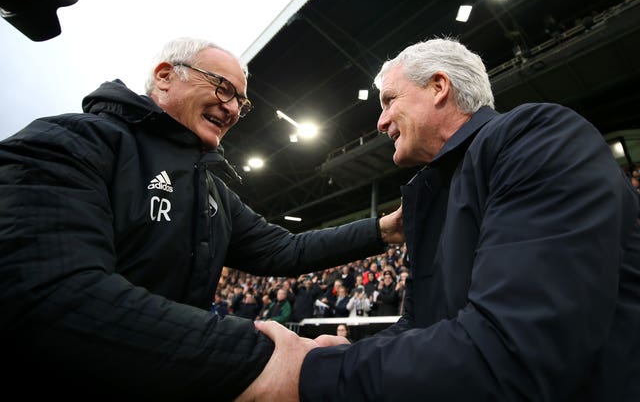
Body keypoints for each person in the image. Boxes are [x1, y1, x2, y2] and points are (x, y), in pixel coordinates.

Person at [237, 37, 640, 401]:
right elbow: (420, 325)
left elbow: (512, 351)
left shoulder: (536, 138)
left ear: (438, 87)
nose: (380, 122)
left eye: (389, 100)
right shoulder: (435, 195)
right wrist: (343, 354)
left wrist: (313, 374)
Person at [0, 37, 404, 400]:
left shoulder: (213, 192)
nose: (231, 108)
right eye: (222, 87)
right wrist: (264, 358)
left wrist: (383, 229)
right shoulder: (70, 142)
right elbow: (54, 292)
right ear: (164, 77)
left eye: (240, 102)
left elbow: (286, 247)